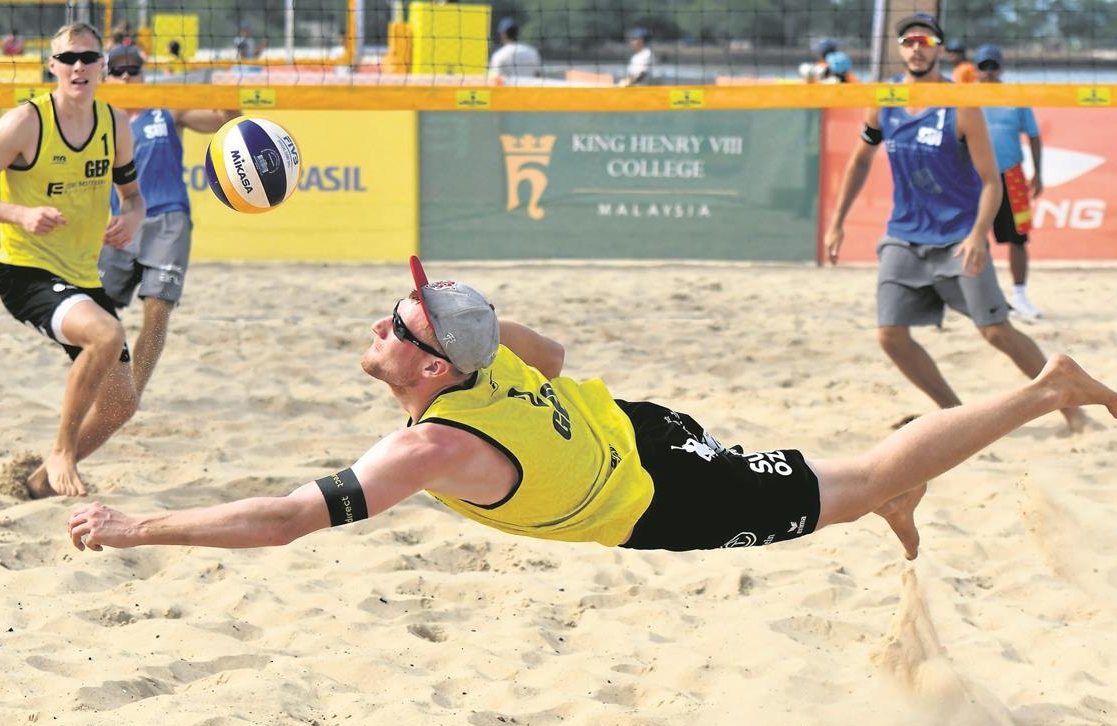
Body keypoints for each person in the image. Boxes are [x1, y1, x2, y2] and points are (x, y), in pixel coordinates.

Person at [67, 257, 1117, 562]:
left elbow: (286, 517)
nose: (381, 323)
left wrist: (137, 524)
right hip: (639, 428)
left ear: (431, 367)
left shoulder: (430, 441)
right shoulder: (473, 370)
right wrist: (468, 318)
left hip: (665, 493)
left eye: (400, 322)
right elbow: (552, 351)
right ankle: (886, 494)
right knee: (843, 489)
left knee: (863, 476)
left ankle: (1041, 386)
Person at [823, 14, 1084, 432]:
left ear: (939, 49)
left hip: (958, 238)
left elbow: (990, 182)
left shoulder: (961, 104)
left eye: (925, 41)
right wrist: (837, 223)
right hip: (904, 236)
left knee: (997, 332)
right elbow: (858, 162)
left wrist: (979, 234)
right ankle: (957, 416)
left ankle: (1072, 409)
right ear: (901, 49)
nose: (916, 47)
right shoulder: (885, 99)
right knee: (890, 336)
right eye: (908, 41)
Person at [0, 22, 145, 498]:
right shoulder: (25, 122)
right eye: (68, 59)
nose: (79, 67)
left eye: (89, 58)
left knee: (119, 405)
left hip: (80, 276)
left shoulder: (115, 125)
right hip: (25, 271)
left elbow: (133, 198)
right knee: (106, 334)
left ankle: (36, 487)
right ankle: (61, 452)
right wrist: (19, 213)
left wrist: (132, 219)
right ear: (52, 66)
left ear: (102, 67)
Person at [97, 44, 241, 397]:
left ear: (145, 74)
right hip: (117, 224)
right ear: (106, 77)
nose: (127, 76)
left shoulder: (165, 109)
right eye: (118, 71)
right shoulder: (97, 117)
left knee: (157, 309)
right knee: (97, 314)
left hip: (167, 218)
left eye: (134, 69)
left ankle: (131, 396)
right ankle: (108, 383)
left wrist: (225, 92)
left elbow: (226, 121)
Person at [975, 44, 1044, 319]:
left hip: (1011, 174)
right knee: (970, 237)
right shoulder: (965, 97)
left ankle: (1020, 297)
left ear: (1000, 67)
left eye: (993, 66)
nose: (989, 72)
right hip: (975, 176)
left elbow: (1035, 136)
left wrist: (1039, 173)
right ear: (977, 70)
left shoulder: (1016, 96)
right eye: (984, 66)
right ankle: (973, 297)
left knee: (1018, 239)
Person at [487, 17, 541, 82]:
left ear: (503, 34)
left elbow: (495, 79)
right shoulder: (532, 51)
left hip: (508, 91)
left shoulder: (499, 55)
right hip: (529, 91)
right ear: (517, 33)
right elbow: (538, 76)